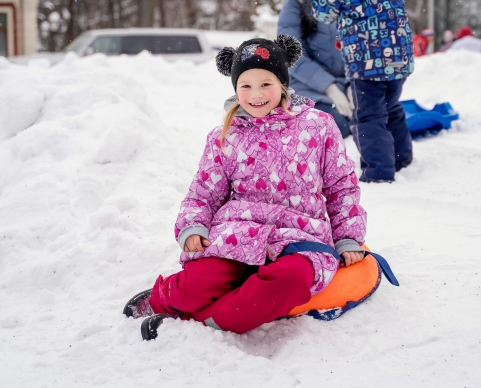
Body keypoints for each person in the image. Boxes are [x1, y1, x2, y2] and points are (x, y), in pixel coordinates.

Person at [123, 35, 367, 337]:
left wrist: (348, 239)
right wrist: (193, 227)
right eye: (246, 86)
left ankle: (204, 320)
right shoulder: (224, 135)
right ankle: (166, 298)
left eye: (266, 84)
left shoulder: (318, 125)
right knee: (198, 284)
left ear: (283, 84)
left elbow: (341, 186)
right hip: (239, 232)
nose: (256, 95)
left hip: (300, 235)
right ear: (236, 89)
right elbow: (203, 192)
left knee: (285, 284)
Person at [312, 0, 414, 183]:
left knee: (368, 116)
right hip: (399, 56)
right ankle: (401, 158)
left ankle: (379, 172)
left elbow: (322, 12)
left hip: (365, 59)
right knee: (391, 107)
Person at [278, 0, 352, 138]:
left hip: (347, 84)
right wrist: (328, 87)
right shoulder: (295, 3)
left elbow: (359, 47)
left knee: (373, 120)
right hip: (308, 87)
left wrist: (353, 85)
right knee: (336, 126)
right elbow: (291, 55)